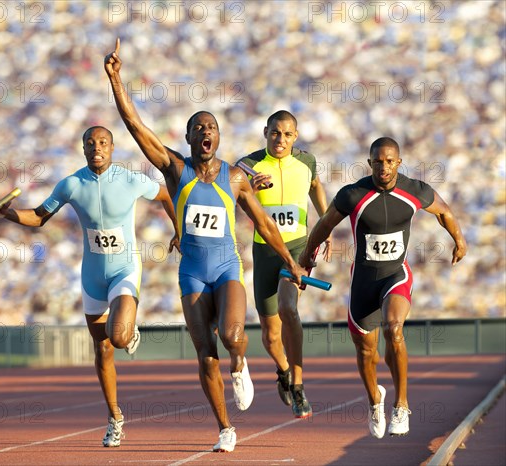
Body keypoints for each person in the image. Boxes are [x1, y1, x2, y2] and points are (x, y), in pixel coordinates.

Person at [104, 39, 308, 453]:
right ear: (188, 137)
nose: (205, 133)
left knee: (234, 336)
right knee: (205, 353)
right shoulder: (176, 170)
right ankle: (226, 428)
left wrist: (292, 261)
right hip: (193, 272)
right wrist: (116, 79)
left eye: (211, 128)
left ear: (218, 136)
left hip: (226, 267)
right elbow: (135, 126)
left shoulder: (236, 178)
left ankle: (242, 365)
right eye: (198, 128)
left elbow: (265, 223)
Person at [0, 125, 179, 448]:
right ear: (84, 149)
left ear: (112, 148)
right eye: (90, 143)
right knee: (102, 351)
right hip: (92, 276)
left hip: (125, 268)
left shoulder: (130, 179)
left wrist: (179, 230)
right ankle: (115, 417)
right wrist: (8, 215)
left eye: (103, 142)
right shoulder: (71, 184)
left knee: (117, 337)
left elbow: (165, 194)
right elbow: (38, 216)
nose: (96, 147)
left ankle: (128, 327)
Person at [301, 137, 467, 438]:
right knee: (367, 353)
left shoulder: (414, 190)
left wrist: (459, 240)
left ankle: (401, 405)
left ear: (398, 162)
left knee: (394, 329)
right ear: (370, 163)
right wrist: (306, 257)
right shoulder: (353, 194)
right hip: (363, 280)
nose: (384, 167)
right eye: (378, 161)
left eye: (390, 161)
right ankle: (374, 401)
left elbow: (444, 212)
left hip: (396, 275)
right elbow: (325, 224)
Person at [236, 110, 331, 418]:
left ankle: (300, 386)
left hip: (298, 248)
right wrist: (251, 189)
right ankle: (284, 371)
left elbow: (316, 186)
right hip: (265, 251)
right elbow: (233, 186)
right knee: (271, 334)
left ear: (296, 136)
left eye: (287, 134)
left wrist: (325, 223)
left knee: (289, 308)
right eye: (275, 133)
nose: (281, 140)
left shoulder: (307, 162)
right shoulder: (249, 165)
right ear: (266, 132)